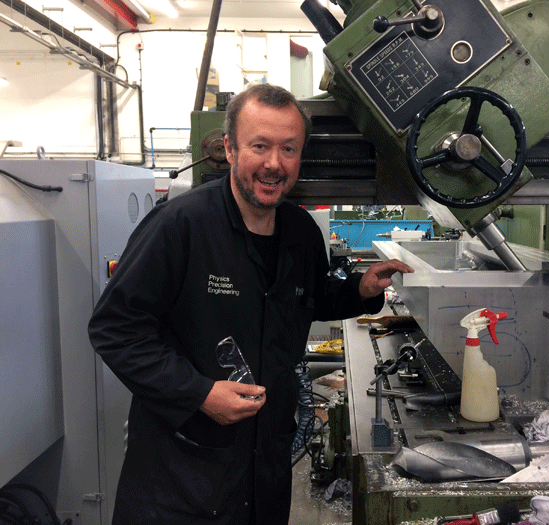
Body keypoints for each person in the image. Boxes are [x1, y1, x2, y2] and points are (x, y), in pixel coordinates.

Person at [88, 83, 414, 525]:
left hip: (264, 470)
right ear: (230, 148)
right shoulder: (180, 225)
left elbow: (308, 298)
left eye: (288, 149)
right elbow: (114, 328)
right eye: (260, 146)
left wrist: (361, 290)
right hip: (181, 478)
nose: (274, 163)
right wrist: (198, 392)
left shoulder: (300, 232)